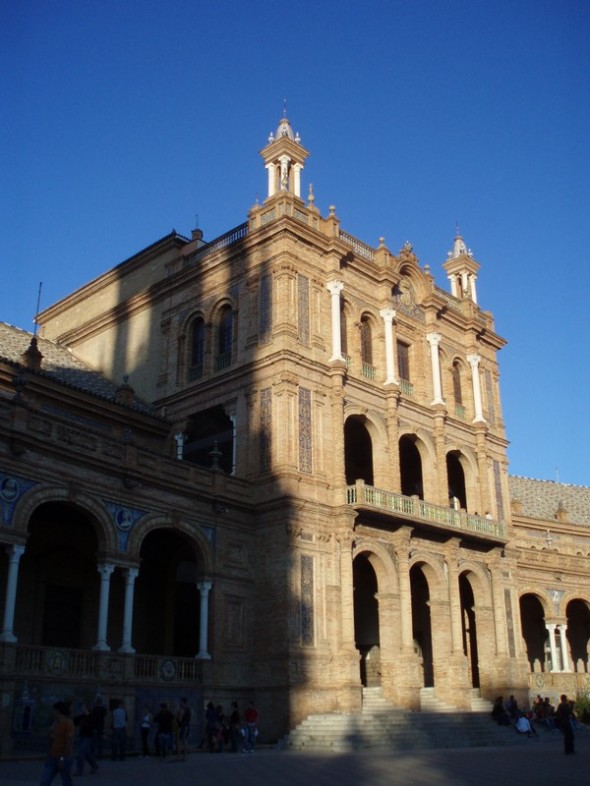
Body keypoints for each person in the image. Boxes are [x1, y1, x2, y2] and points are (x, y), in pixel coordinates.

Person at [40, 701, 75, 786]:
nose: (52, 713)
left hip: (64, 758)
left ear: (58, 711)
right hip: (53, 756)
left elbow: (69, 742)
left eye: (53, 710)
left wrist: (62, 759)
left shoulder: (68, 723)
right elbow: (52, 739)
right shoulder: (55, 723)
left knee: (66, 781)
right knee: (45, 780)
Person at [73, 702, 98, 775]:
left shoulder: (92, 716)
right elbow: (75, 722)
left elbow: (94, 726)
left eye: (83, 707)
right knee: (86, 753)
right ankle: (94, 765)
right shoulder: (82, 716)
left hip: (88, 736)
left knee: (81, 753)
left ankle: (79, 770)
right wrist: (78, 715)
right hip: (81, 736)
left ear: (87, 708)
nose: (82, 708)